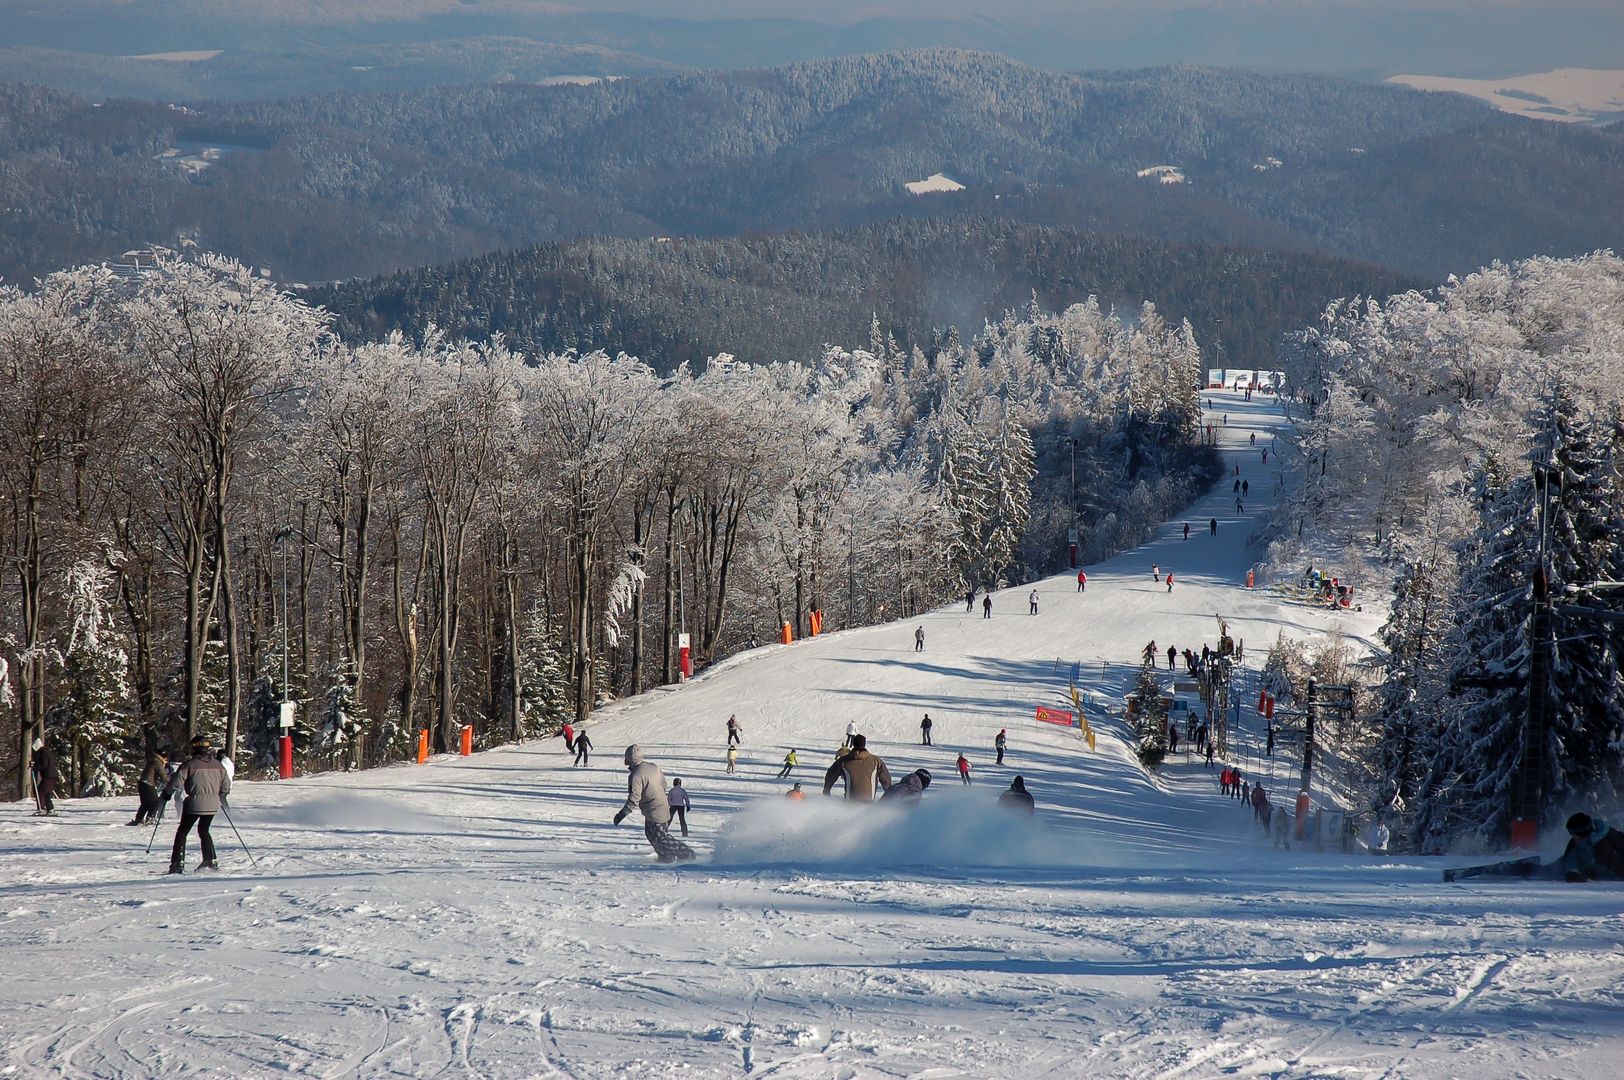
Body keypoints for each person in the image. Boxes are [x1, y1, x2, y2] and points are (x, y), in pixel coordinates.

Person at [612, 745, 694, 863]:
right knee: (651, 834)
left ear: (629, 758)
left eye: (625, 757)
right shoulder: (653, 767)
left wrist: (622, 813)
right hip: (659, 806)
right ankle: (665, 856)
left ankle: (687, 852)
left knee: (662, 838)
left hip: (655, 810)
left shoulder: (636, 775)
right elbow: (664, 784)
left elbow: (634, 797)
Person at [163, 734, 230, 874]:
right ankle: (210, 860)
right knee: (204, 830)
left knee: (182, 831)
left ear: (194, 749)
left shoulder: (189, 765)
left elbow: (176, 782)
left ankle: (177, 863)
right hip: (213, 804)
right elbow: (226, 786)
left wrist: (166, 794)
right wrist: (220, 795)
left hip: (194, 803)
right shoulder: (218, 765)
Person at [822, 734, 892, 801]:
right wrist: (890, 796)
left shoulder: (843, 761)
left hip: (849, 802)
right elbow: (886, 779)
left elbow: (830, 775)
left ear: (853, 744)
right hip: (869, 803)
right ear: (864, 744)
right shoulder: (876, 761)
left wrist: (826, 790)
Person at [1561, 812, 1624, 881]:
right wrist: (1572, 872)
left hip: (1606, 872)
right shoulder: (1578, 842)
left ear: (1581, 831)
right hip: (1588, 869)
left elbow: (1615, 862)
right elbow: (1571, 857)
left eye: (1573, 832)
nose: (1572, 835)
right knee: (1553, 869)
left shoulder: (1604, 842)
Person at [128, 746, 167, 826]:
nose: (166, 761)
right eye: (166, 759)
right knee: (155, 802)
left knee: (145, 803)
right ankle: (150, 819)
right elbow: (164, 776)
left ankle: (138, 819)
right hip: (148, 784)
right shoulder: (157, 763)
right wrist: (172, 781)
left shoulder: (153, 761)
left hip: (142, 784)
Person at [30, 736, 58, 816]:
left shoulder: (42, 753)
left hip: (48, 776)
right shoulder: (45, 752)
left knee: (40, 792)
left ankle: (41, 809)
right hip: (51, 776)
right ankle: (50, 809)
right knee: (46, 793)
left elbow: (44, 765)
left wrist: (35, 767)